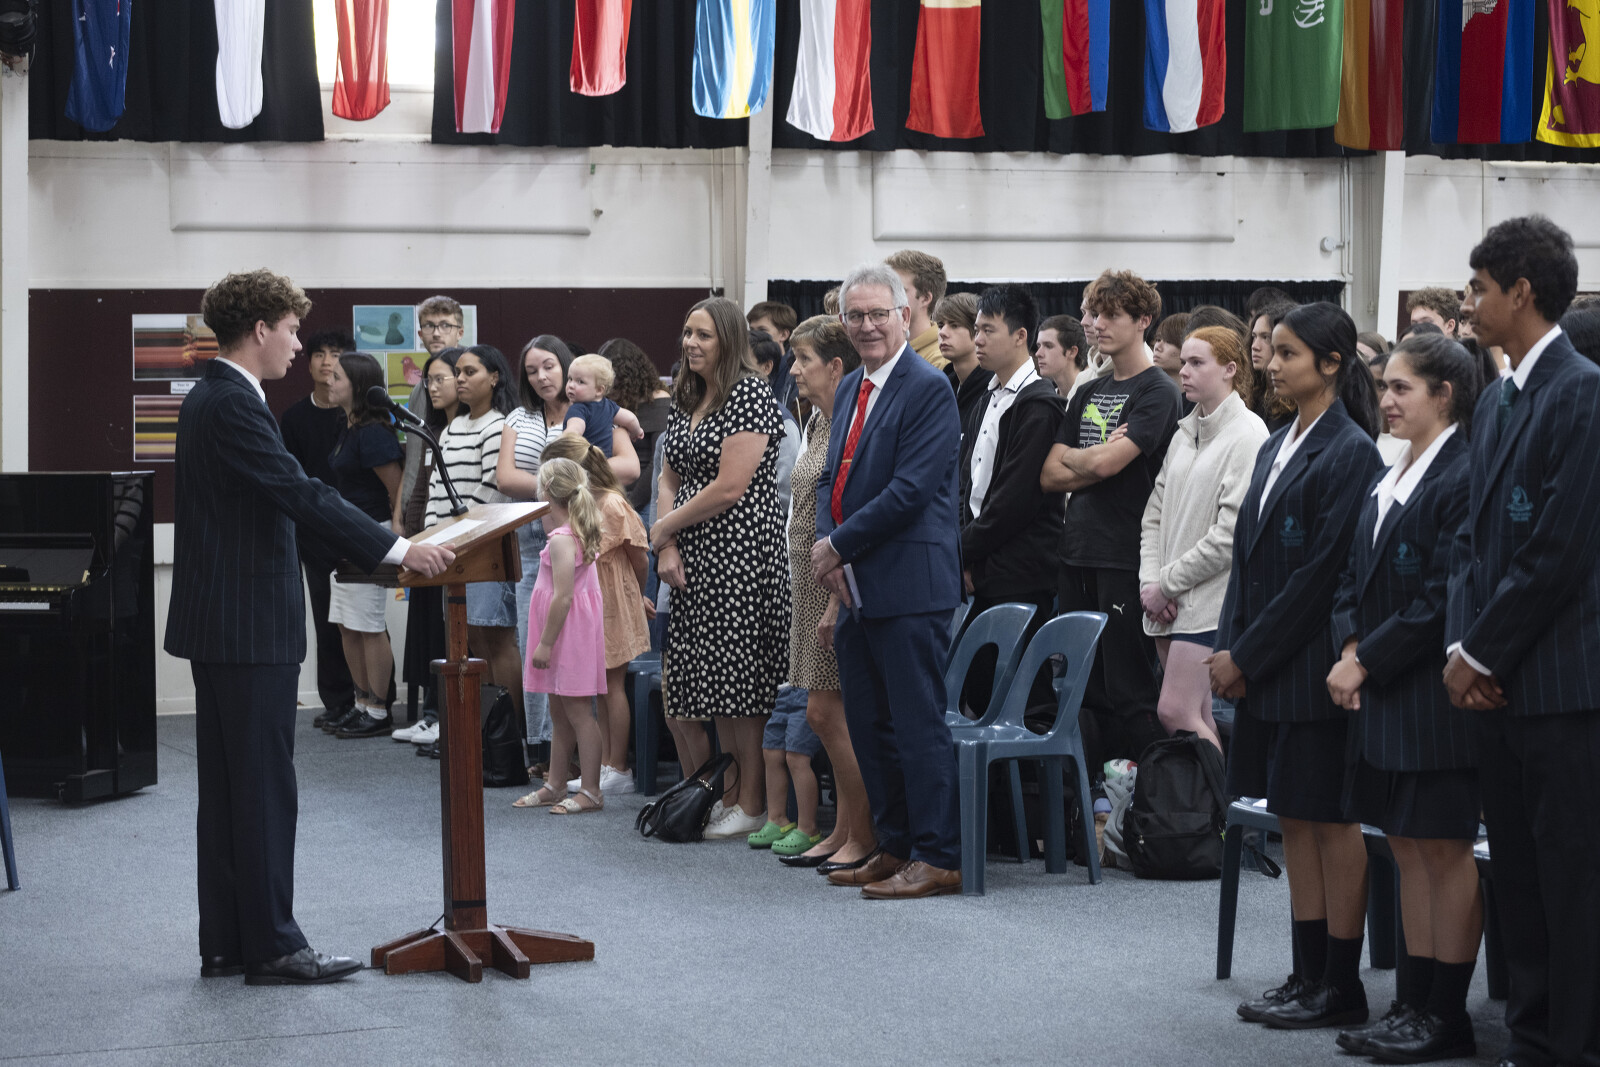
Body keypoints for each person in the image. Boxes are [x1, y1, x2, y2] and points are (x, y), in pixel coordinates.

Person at [165, 269, 453, 985]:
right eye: (293, 331)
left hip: (223, 621)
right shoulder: (234, 401)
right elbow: (299, 492)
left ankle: (229, 941)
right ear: (261, 329)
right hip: (246, 624)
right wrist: (397, 549)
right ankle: (273, 946)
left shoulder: (213, 395)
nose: (302, 348)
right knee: (263, 787)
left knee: (231, 789)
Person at [1444, 215, 1600, 1067]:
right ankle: (1533, 1037)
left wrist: (1480, 655)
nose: (1468, 303)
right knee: (1521, 875)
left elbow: (1558, 549)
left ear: (1521, 291)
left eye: (1478, 289)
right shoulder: (1502, 395)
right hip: (1495, 679)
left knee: (1570, 876)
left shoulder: (1582, 391)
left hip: (1559, 682)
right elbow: (1473, 542)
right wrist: (1461, 648)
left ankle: (1572, 1045)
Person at [1210, 301, 1383, 1032]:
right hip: (1267, 666)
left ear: (1331, 363)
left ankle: (1340, 981)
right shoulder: (1278, 440)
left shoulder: (1351, 451)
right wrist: (1229, 647)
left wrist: (1246, 653)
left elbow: (1319, 578)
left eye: (1287, 353)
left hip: (1311, 668)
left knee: (1331, 823)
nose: (1272, 364)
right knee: (1296, 822)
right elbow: (1246, 561)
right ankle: (1307, 971)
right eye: (1271, 351)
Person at [1326, 334, 1482, 1063]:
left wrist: (1367, 660)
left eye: (1401, 388)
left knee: (1444, 852)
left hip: (1432, 692)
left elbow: (1442, 594)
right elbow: (1352, 575)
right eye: (1384, 386)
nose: (1385, 399)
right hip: (1386, 685)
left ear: (1444, 395)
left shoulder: (1463, 472)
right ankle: (1412, 1004)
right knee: (1409, 848)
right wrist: (1350, 645)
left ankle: (1446, 1014)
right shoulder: (1395, 466)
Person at [812, 262, 964, 899]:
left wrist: (837, 545)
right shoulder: (852, 384)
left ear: (905, 315)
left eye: (879, 314)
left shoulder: (929, 388)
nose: (868, 326)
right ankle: (894, 845)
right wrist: (833, 551)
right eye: (856, 315)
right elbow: (831, 479)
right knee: (871, 726)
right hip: (856, 583)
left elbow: (910, 491)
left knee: (916, 724)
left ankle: (939, 856)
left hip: (910, 583)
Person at [652, 297, 791, 841]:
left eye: (703, 335)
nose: (691, 343)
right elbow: (668, 477)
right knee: (714, 687)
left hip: (742, 553)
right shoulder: (688, 394)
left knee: (743, 690)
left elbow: (730, 486)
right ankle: (728, 796)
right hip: (693, 554)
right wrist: (666, 544)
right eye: (687, 332)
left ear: (728, 340)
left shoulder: (750, 393)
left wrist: (665, 528)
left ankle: (751, 803)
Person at [1040, 269, 1182, 795]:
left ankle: (1153, 802)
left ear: (1143, 320)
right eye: (1094, 314)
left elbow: (1103, 466)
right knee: (1084, 689)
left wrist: (1088, 460)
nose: (1097, 324)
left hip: (1125, 554)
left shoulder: (1158, 390)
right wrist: (1098, 456)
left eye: (1111, 315)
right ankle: (1099, 800)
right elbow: (1049, 474)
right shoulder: (1090, 389)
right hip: (1076, 552)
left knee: (1129, 689)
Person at [497, 336, 639, 767]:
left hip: (584, 538)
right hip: (532, 546)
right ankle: (545, 751)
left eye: (550, 367)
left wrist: (560, 481)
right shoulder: (519, 418)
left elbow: (630, 467)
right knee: (538, 648)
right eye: (531, 370)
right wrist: (556, 483)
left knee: (582, 659)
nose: (541, 377)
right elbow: (505, 478)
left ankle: (591, 762)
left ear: (569, 369)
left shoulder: (597, 410)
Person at [776, 315, 876, 870]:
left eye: (804, 360)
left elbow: (850, 515)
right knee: (824, 716)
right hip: (808, 586)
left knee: (828, 715)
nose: (794, 370)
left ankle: (863, 833)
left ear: (836, 366)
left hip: (834, 588)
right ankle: (844, 829)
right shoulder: (818, 420)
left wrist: (837, 601)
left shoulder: (854, 422)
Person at [1137, 326, 1268, 751]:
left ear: (1230, 369)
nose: (1184, 371)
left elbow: (1230, 535)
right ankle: (1216, 796)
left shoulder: (1248, 435)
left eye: (1197, 363)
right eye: (1184, 362)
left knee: (1176, 712)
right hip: (1167, 602)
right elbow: (1153, 515)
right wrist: (1151, 583)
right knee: (1196, 715)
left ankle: (1221, 797)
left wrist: (1166, 584)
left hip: (1209, 604)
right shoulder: (1184, 432)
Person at [959, 283, 1063, 714]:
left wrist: (961, 552)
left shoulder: (1039, 403)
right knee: (980, 690)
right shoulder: (987, 397)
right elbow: (967, 486)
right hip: (982, 565)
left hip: (1018, 570)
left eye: (988, 330)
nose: (977, 340)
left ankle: (1040, 763)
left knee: (1023, 700)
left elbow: (1013, 502)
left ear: (1021, 336)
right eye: (976, 330)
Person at [539, 434, 649, 797]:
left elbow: (640, 558)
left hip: (614, 603)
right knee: (598, 686)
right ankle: (602, 764)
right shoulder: (578, 508)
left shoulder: (613, 504)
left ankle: (619, 766)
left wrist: (637, 597)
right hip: (591, 604)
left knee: (613, 686)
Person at [425, 345, 524, 724]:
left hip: (483, 549)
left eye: (470, 372)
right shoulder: (452, 427)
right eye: (459, 373)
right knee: (471, 642)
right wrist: (431, 537)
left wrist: (458, 535)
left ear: (494, 378)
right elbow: (437, 486)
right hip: (451, 550)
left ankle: (511, 733)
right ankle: (485, 731)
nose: (460, 380)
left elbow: (492, 489)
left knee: (497, 640)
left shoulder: (498, 426)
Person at [512, 458, 609, 814]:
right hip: (563, 632)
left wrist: (545, 643)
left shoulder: (563, 540)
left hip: (566, 636)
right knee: (559, 711)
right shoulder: (569, 534)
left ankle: (591, 790)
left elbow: (564, 596)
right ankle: (555, 783)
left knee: (579, 713)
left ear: (546, 494)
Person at [321, 352, 405, 739]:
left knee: (369, 624)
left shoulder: (373, 431)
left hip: (372, 532)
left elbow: (397, 487)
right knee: (346, 623)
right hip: (347, 535)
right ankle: (360, 703)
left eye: (337, 376)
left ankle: (378, 710)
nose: (329, 380)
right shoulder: (348, 425)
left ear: (357, 385)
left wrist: (397, 529)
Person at [278, 328, 357, 728]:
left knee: (362, 619)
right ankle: (337, 701)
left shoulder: (359, 415)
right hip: (314, 533)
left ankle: (370, 701)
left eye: (336, 354)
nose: (328, 362)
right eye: (320, 354)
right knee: (326, 619)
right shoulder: (294, 418)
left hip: (358, 528)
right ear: (307, 363)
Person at [391, 347, 463, 747]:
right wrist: (413, 536)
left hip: (459, 545)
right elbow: (421, 488)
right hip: (426, 539)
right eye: (428, 380)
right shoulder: (435, 430)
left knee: (454, 635)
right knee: (431, 632)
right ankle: (434, 715)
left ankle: (453, 719)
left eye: (440, 379)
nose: (432, 388)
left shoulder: (473, 428)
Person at [602, 337, 673, 517]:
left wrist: (630, 505)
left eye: (614, 383)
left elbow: (656, 464)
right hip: (612, 496)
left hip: (643, 499)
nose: (609, 390)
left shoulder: (659, 400)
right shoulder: (611, 406)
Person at [885, 248, 951, 370]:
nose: (886, 296)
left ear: (925, 298)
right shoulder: (888, 350)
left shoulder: (939, 360)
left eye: (898, 290)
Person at [747, 300, 799, 411]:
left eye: (762, 330)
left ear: (783, 335)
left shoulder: (795, 374)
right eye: (752, 330)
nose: (755, 335)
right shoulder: (747, 369)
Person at [1035, 314, 1087, 398]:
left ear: (1072, 352)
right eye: (1039, 346)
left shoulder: (1091, 396)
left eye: (1048, 346)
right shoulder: (1046, 399)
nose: (1038, 353)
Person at [1152, 311, 1190, 391]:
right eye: (1158, 339)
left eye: (1168, 342)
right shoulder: (1148, 391)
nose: (1158, 347)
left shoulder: (1204, 398)